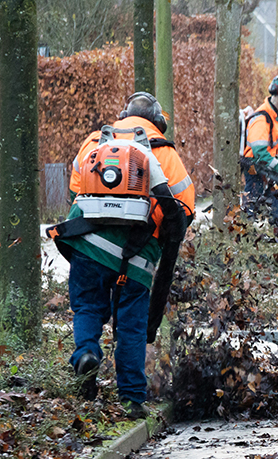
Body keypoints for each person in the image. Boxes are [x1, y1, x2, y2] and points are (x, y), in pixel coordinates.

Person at [57, 92, 195, 419]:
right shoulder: (163, 151)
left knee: (88, 306)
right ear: (158, 122)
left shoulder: (95, 140)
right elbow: (184, 209)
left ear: (122, 115)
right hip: (135, 255)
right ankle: (132, 399)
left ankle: (87, 355)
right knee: (131, 324)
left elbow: (77, 186)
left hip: (87, 243)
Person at [242, 75, 278, 228]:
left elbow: (277, 148)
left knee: (275, 199)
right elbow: (259, 151)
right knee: (252, 202)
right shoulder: (262, 118)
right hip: (254, 166)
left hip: (267, 167)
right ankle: (244, 233)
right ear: (275, 90)